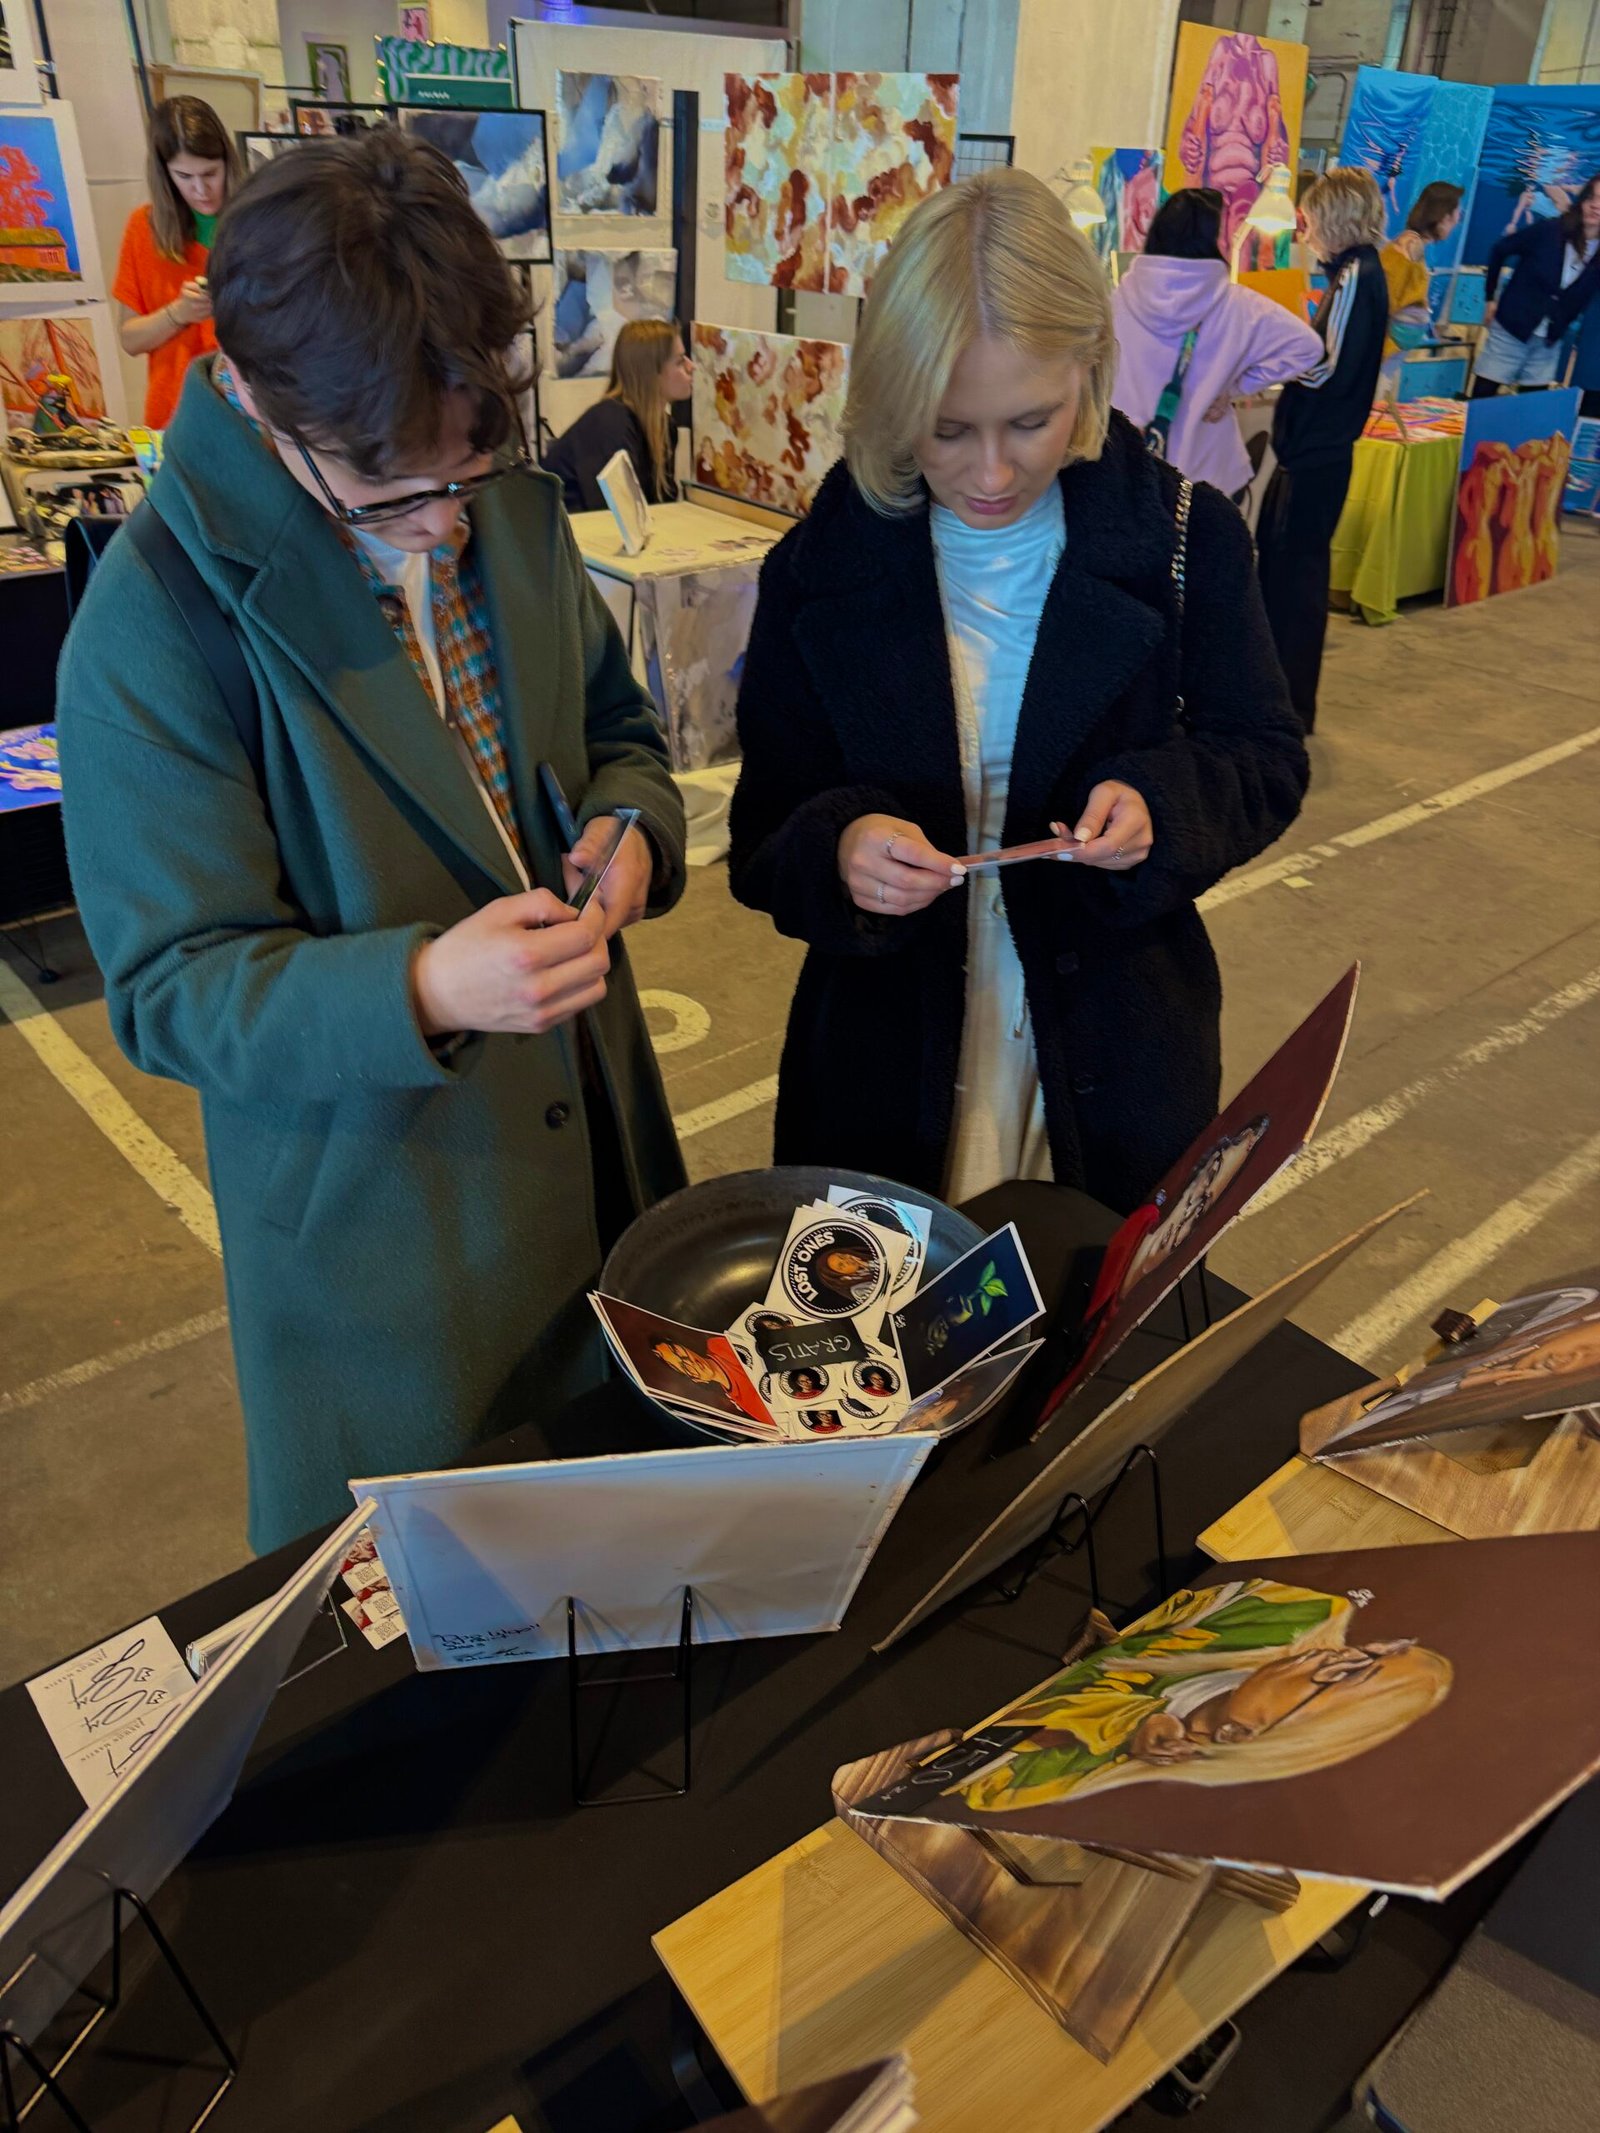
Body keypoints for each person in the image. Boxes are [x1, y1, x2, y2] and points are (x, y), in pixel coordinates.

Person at [59, 133, 687, 1553]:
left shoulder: (495, 497)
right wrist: (423, 988)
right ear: (251, 392)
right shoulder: (156, 624)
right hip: (392, 1244)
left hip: (604, 1164)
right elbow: (169, 987)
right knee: (435, 1619)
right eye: (395, 491)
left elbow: (618, 727)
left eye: (470, 467)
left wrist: (632, 830)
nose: (448, 527)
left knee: (640, 1557)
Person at [728, 169, 1308, 1215]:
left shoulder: (1184, 538)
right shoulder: (821, 566)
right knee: (886, 1305)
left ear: (1090, 369)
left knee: (1092, 1297)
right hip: (877, 1066)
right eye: (947, 430)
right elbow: (765, 826)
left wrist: (1162, 808)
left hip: (1119, 1055)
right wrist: (841, 848)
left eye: (1030, 422)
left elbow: (1263, 754)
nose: (991, 473)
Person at [1254, 167, 1389, 733]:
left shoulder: (1357, 274)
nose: (1303, 231)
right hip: (1311, 451)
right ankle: (1276, 699)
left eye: (1308, 219)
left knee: (1297, 581)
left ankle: (1288, 706)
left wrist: (1264, 370)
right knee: (1284, 572)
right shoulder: (1352, 273)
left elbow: (1328, 365)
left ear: (1333, 217)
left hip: (1317, 453)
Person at [1111, 187, 1321, 497]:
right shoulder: (1239, 306)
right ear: (1211, 241)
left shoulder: (1115, 302)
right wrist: (1236, 386)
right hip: (1208, 481)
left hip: (1127, 475)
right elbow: (1308, 348)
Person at [114, 97, 240, 429]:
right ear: (165, 174)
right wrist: (178, 314)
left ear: (228, 162)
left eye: (210, 173)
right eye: (184, 176)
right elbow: (130, 340)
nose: (201, 189)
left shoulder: (258, 222)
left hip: (249, 421)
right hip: (173, 419)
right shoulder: (144, 228)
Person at [544, 318, 693, 513]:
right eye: (680, 361)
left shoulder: (665, 427)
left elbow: (661, 509)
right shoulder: (610, 424)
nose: (691, 366)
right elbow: (612, 515)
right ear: (651, 372)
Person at [1475, 172, 1600, 396]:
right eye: (1592, 198)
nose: (1596, 206)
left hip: (1550, 339)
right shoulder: (1550, 230)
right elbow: (1500, 249)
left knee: (1534, 404)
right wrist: (1490, 298)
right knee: (1483, 396)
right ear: (1582, 200)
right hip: (1511, 326)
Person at [1378, 180, 1463, 391]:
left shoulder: (1411, 244)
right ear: (1443, 217)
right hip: (1387, 348)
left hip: (1393, 345)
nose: (1456, 221)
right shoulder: (1409, 246)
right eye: (1455, 216)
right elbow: (1386, 296)